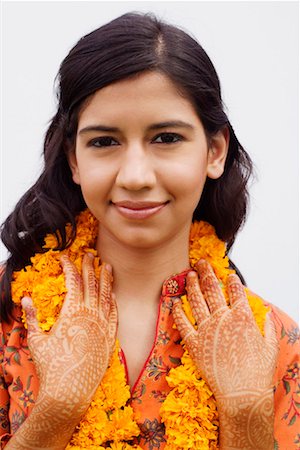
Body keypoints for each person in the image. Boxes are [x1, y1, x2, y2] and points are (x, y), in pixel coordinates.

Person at [0, 12, 299, 450]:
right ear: (74, 160)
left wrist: (246, 413)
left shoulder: (271, 341)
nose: (136, 176)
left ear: (215, 151)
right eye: (104, 142)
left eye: (166, 138)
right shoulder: (11, 319)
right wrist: (55, 412)